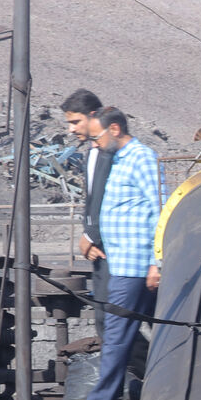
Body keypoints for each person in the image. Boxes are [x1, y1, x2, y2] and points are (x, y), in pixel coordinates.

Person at [60, 107, 162, 400]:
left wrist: (158, 262)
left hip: (136, 263)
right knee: (123, 334)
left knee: (118, 335)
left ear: (114, 129)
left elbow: (160, 207)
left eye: (99, 137)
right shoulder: (116, 159)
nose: (97, 145)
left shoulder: (142, 158)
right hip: (121, 263)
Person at [61, 89, 113, 336]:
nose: (71, 129)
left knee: (117, 322)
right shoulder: (91, 153)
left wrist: (91, 235)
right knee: (105, 322)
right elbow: (92, 201)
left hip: (116, 249)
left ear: (93, 116)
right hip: (101, 252)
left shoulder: (112, 152)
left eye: (75, 122)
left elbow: (109, 199)